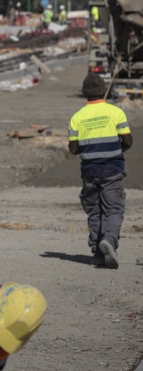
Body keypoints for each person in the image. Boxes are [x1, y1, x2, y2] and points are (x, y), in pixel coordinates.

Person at [68, 72, 132, 269]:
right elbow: (128, 141)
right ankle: (109, 242)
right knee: (113, 209)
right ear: (104, 91)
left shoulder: (76, 117)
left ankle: (97, 253)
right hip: (112, 170)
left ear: (85, 93)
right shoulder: (116, 113)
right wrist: (114, 151)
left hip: (89, 171)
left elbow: (73, 149)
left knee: (94, 212)